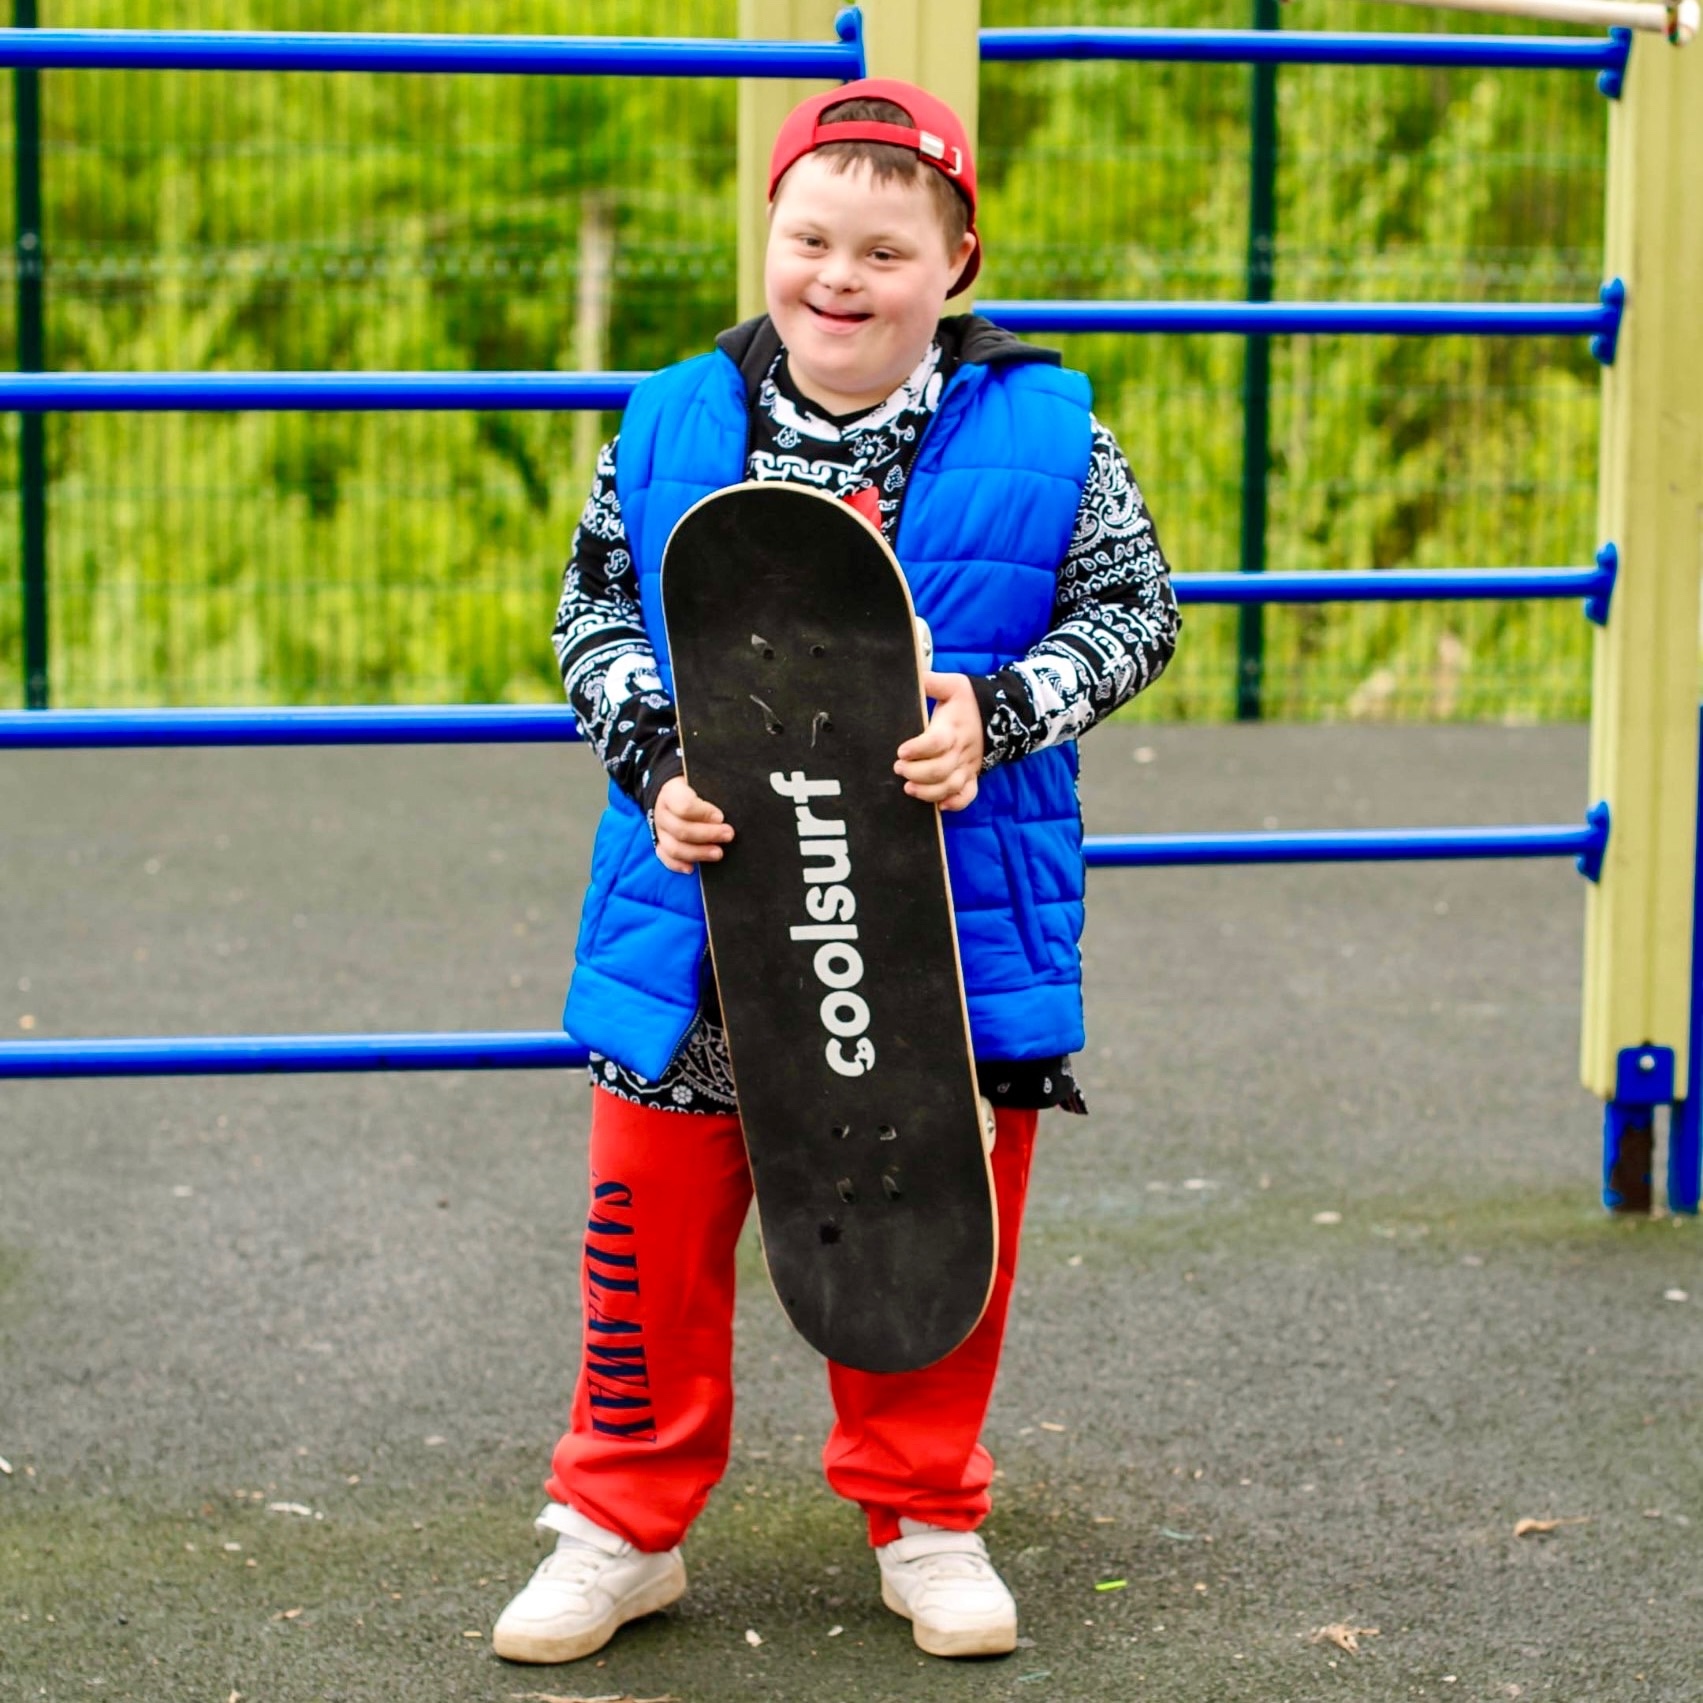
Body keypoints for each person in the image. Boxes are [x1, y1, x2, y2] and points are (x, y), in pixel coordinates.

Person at [494, 78, 1180, 1667]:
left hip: (944, 923)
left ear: (957, 262)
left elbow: (1136, 611)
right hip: (702, 918)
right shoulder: (672, 418)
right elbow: (593, 617)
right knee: (653, 1233)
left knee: (922, 1211)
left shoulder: (1047, 431)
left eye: (885, 250)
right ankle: (619, 1525)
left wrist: (999, 712)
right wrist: (656, 765)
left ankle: (927, 1512)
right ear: (771, 237)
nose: (840, 277)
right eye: (811, 240)